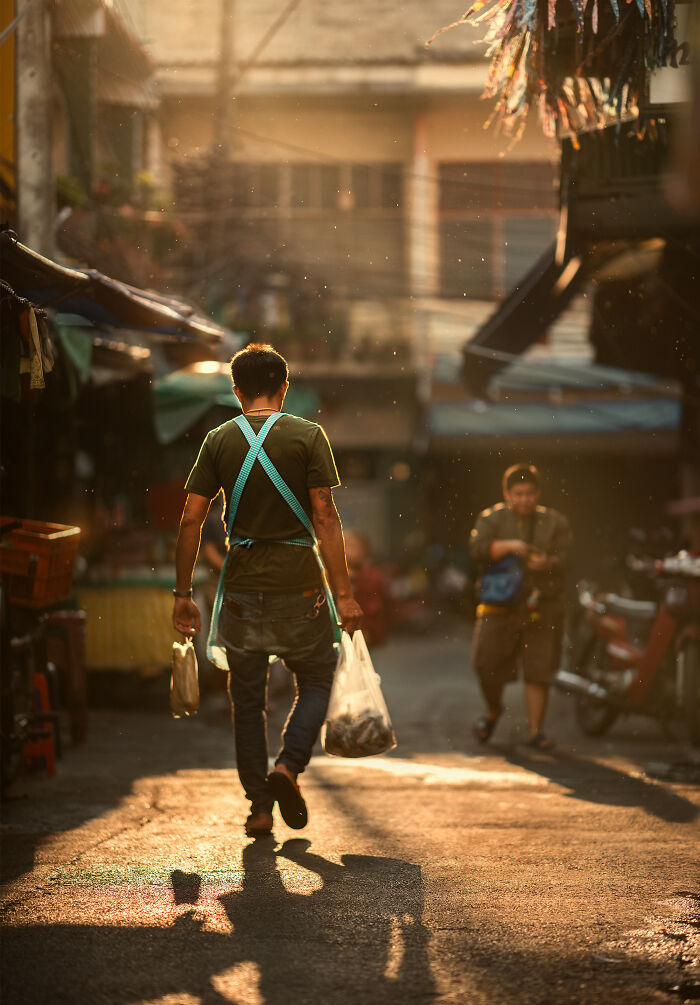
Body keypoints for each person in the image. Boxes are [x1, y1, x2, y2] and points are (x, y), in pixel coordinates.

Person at [172, 344, 362, 837]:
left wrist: (182, 592)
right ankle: (287, 767)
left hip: (240, 587)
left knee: (248, 699)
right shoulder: (308, 435)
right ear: (284, 387)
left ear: (236, 392)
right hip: (300, 585)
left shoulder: (217, 440)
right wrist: (344, 594)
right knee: (318, 678)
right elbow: (325, 517)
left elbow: (191, 519)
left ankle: (258, 806)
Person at [469, 463, 571, 750]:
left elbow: (566, 558)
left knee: (539, 669)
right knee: (486, 664)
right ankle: (492, 711)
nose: (524, 499)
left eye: (530, 493)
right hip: (498, 606)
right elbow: (477, 550)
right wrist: (510, 546)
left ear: (538, 493)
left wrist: (548, 563)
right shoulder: (491, 519)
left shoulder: (555, 522)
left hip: (542, 606)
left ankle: (536, 731)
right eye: (518, 493)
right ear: (507, 493)